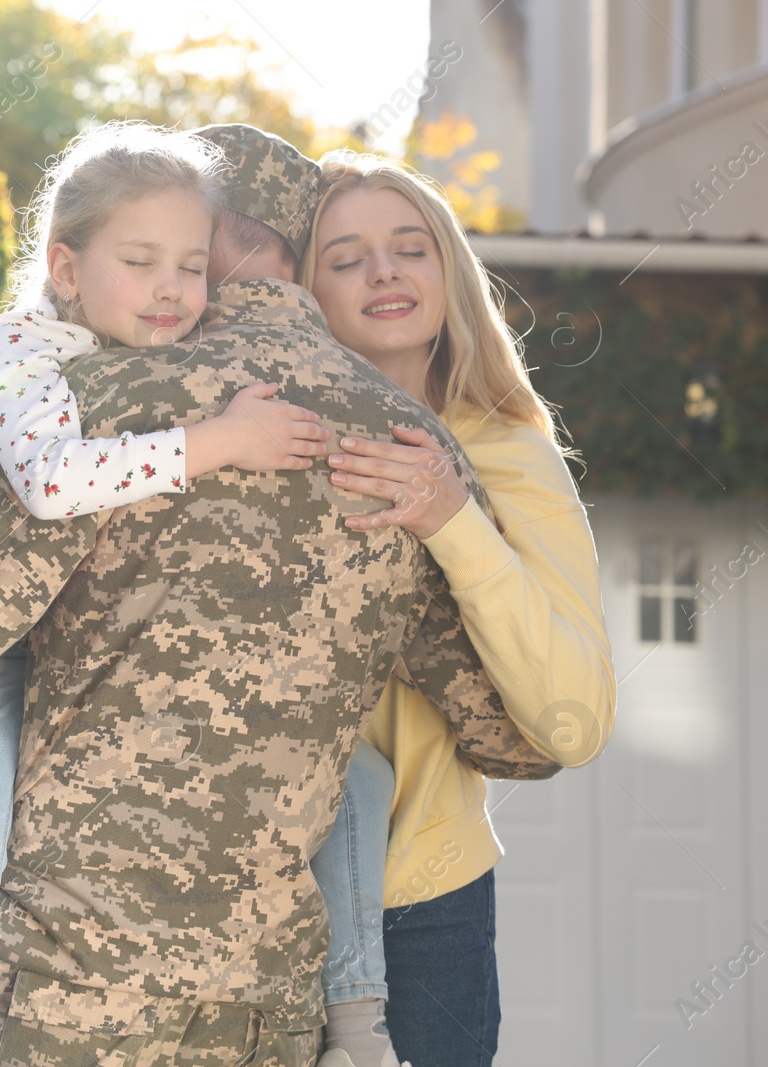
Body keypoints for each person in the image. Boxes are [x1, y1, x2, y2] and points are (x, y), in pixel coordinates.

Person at [0, 124, 560, 1066]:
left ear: (211, 237)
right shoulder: (405, 446)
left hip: (60, 991)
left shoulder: (96, 398)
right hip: (260, 1010)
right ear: (300, 254)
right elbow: (512, 732)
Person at [0, 121, 329, 1067]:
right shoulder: (18, 345)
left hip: (92, 641)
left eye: (191, 264)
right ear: (65, 266)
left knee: (362, 779)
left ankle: (361, 1020)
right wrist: (219, 441)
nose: (173, 288)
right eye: (140, 261)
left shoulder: (151, 357)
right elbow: (53, 481)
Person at [302, 153, 615, 1067]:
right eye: (347, 256)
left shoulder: (512, 450)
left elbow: (577, 719)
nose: (386, 272)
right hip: (254, 893)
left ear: (450, 273)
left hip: (424, 907)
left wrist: (453, 520)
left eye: (411, 247)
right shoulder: (261, 433)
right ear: (300, 287)